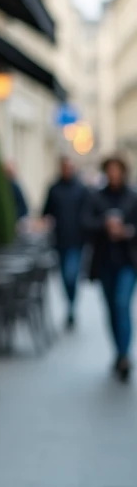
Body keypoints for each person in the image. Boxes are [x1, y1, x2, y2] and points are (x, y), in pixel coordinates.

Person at [83, 155, 137, 382]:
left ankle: (124, 355)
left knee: (122, 304)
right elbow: (84, 222)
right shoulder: (97, 197)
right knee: (112, 310)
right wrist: (104, 224)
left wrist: (128, 231)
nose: (114, 174)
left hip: (128, 261)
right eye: (110, 170)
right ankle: (118, 351)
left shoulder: (133, 197)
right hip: (105, 262)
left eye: (118, 170)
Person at [42, 156, 90, 328]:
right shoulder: (54, 188)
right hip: (60, 240)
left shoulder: (81, 189)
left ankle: (71, 307)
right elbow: (46, 211)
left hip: (77, 240)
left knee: (72, 275)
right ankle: (69, 305)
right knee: (64, 276)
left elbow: (88, 213)